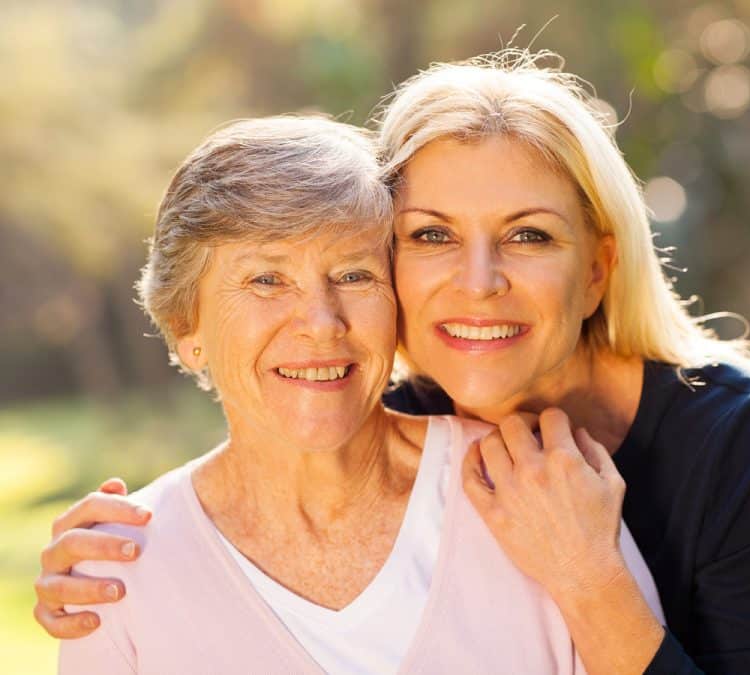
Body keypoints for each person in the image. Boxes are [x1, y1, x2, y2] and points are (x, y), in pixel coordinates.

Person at [37, 50, 750, 673]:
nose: (478, 284)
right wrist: (139, 545)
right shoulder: (390, 412)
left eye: (528, 234)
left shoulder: (740, 440)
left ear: (597, 268)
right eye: (431, 236)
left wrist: (588, 577)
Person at [53, 114, 662, 674]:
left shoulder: (543, 490)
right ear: (188, 329)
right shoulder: (118, 572)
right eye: (267, 279)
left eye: (353, 275)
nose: (322, 321)